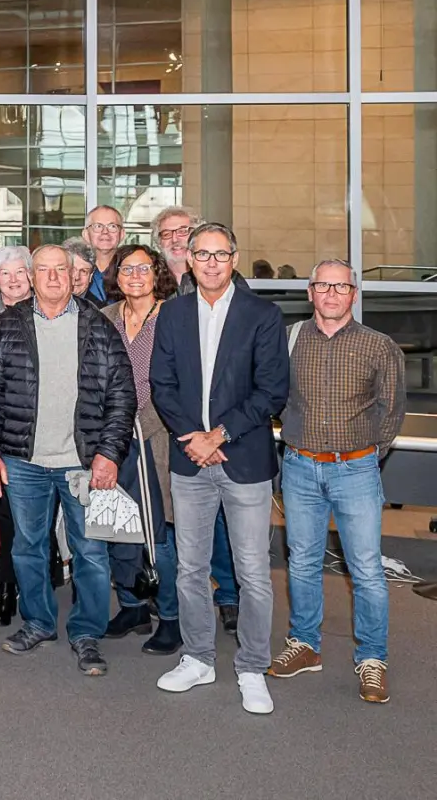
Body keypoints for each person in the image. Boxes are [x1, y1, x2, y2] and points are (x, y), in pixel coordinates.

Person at [0, 245, 135, 676]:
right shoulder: (11, 324)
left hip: (82, 462)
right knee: (28, 547)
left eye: (59, 269)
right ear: (31, 277)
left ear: (73, 275)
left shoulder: (98, 325)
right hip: (23, 461)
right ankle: (39, 622)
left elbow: (122, 396)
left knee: (90, 551)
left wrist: (109, 454)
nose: (51, 277)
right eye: (42, 270)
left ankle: (86, 633)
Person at [150, 223, 289, 714]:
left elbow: (272, 390)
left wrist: (220, 435)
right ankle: (198, 658)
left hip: (243, 458)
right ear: (189, 260)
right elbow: (161, 383)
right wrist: (194, 436)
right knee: (191, 568)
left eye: (220, 254)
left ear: (234, 259)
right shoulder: (172, 313)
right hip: (190, 460)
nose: (211, 263)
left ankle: (252, 667)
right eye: (202, 254)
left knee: (252, 571)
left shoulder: (262, 315)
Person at [269, 260, 405, 704]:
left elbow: (391, 412)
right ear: (310, 292)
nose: (331, 294)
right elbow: (273, 394)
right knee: (302, 562)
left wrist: (364, 458)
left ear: (354, 294)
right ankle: (305, 644)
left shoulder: (379, 346)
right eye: (323, 286)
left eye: (341, 287)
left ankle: (373, 659)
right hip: (299, 467)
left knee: (366, 570)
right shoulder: (287, 340)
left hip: (356, 470)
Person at [99, 245, 182, 656]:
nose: (134, 276)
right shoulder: (105, 318)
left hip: (157, 436)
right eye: (126, 268)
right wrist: (113, 430)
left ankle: (171, 616)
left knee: (157, 533)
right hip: (112, 439)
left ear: (157, 273)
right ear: (116, 275)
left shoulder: (174, 317)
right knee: (117, 527)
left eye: (143, 268)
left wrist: (139, 425)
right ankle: (132, 606)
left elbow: (181, 380)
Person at [83, 206, 126, 304]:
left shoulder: (133, 273)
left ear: (122, 234)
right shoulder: (73, 272)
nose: (105, 232)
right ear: (86, 234)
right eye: (98, 226)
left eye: (112, 226)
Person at [61, 238, 99, 306]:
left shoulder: (99, 309)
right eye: (72, 270)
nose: (77, 277)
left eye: (83, 271)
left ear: (91, 276)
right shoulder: (42, 301)